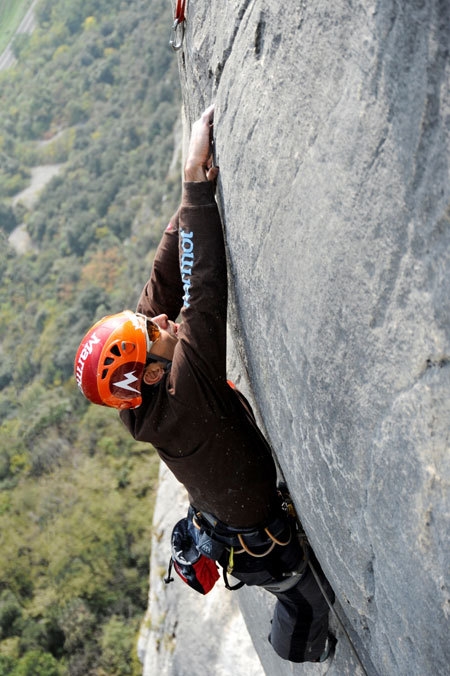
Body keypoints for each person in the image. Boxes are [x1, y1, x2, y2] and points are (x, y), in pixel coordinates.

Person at [74, 104, 336, 663]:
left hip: (226, 524)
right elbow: (202, 290)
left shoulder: (138, 399)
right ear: (146, 371)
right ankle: (301, 651)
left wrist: (184, 209)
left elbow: (162, 286)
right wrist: (195, 187)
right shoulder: (186, 388)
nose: (163, 321)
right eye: (155, 333)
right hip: (264, 546)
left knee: (296, 597)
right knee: (308, 607)